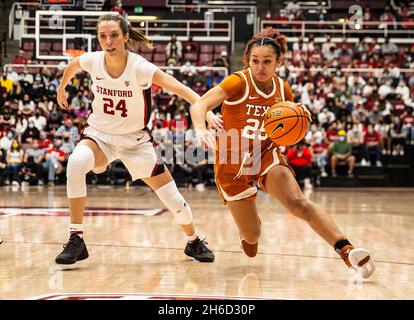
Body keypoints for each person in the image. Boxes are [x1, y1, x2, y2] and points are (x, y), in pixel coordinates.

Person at [190, 28, 375, 278]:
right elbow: (200, 104)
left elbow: (287, 124)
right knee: (252, 240)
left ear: (279, 62)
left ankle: (346, 250)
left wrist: (300, 117)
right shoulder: (238, 81)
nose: (261, 67)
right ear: (248, 61)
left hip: (265, 154)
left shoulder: (282, 88)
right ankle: (250, 228)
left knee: (298, 202)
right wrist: (201, 129)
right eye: (255, 61)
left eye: (267, 61)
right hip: (232, 163)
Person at [54, 14, 219, 265]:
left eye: (114, 36)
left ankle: (193, 241)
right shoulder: (93, 60)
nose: (108, 41)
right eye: (103, 36)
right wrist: (61, 87)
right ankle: (76, 238)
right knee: (76, 162)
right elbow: (73, 65)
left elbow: (179, 88)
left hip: (135, 142)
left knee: (173, 200)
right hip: (101, 137)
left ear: (125, 37)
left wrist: (205, 110)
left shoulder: (140, 66)